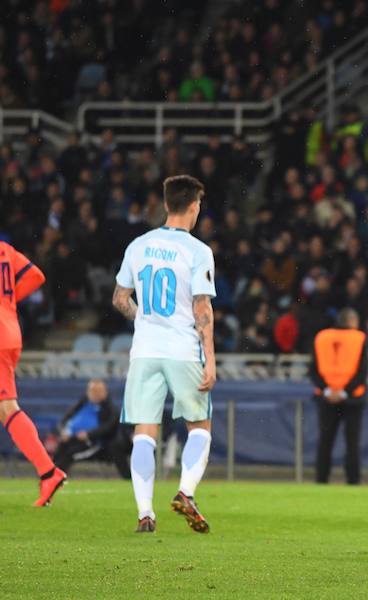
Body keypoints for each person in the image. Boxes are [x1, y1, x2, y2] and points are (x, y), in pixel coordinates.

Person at [112, 174, 217, 534]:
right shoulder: (198, 251)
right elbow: (202, 308)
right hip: (182, 350)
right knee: (199, 425)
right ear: (193, 206)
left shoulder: (138, 245)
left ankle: (145, 514)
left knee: (144, 431)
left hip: (144, 351)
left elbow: (120, 298)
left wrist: (144, 318)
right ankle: (185, 492)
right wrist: (211, 359)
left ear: (167, 204)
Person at [0, 241, 67, 506]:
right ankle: (48, 472)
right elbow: (36, 276)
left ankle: (49, 472)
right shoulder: (4, 249)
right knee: (5, 409)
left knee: (7, 407)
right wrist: (7, 303)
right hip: (10, 330)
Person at [310, 308, 368, 484]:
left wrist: (328, 390)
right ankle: (353, 480)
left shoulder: (321, 337)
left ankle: (321, 480)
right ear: (352, 321)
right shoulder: (359, 338)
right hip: (353, 398)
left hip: (326, 397)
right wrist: (345, 392)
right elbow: (363, 371)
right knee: (352, 442)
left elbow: (313, 370)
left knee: (325, 441)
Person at [54, 379, 129, 477]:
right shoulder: (82, 404)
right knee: (61, 448)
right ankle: (51, 476)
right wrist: (63, 431)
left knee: (69, 455)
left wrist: (89, 434)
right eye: (92, 391)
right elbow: (66, 418)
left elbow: (107, 428)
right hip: (72, 438)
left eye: (98, 391)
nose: (95, 394)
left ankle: (57, 479)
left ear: (105, 392)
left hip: (93, 443)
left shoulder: (110, 410)